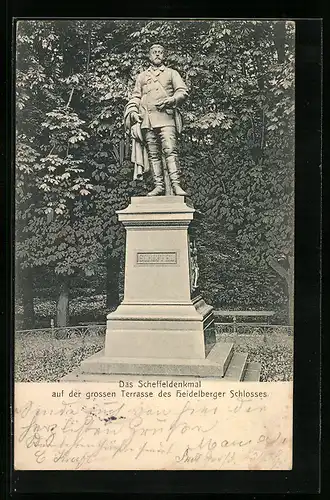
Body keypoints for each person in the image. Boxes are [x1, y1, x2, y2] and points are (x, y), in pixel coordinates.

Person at [124, 44, 188, 196]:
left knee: (170, 151)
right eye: (154, 52)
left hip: (166, 118)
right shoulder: (142, 76)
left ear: (164, 56)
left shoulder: (172, 73)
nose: (157, 55)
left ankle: (176, 185)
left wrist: (171, 100)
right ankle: (158, 186)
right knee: (153, 154)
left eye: (160, 52)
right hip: (147, 120)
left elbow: (182, 92)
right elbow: (135, 96)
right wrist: (133, 111)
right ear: (149, 56)